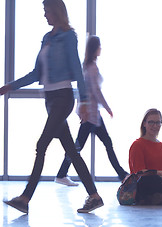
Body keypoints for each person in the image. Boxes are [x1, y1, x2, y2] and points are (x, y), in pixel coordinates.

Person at [0, 0, 103, 213]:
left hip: (63, 98)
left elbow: (76, 67)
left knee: (42, 144)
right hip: (50, 99)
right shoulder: (47, 38)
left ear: (57, 12)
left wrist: (83, 102)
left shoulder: (68, 37)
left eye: (47, 11)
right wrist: (12, 85)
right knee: (72, 152)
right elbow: (37, 73)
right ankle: (94, 196)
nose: (45, 15)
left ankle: (25, 198)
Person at [55, 35, 129, 186]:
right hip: (91, 115)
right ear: (95, 48)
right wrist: (107, 107)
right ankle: (61, 174)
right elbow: (96, 92)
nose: (101, 48)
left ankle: (121, 174)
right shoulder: (92, 68)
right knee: (80, 146)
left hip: (93, 114)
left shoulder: (87, 66)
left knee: (101, 144)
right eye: (99, 46)